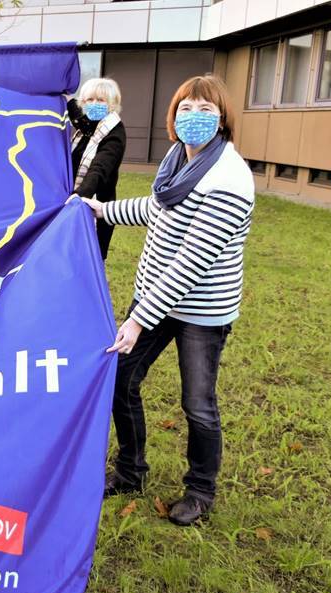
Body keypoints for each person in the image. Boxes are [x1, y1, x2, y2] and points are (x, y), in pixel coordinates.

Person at [82, 74, 255, 526]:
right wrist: (99, 209)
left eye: (205, 111)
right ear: (172, 117)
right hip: (156, 300)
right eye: (185, 109)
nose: (193, 118)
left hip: (200, 311)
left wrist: (138, 320)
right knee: (120, 379)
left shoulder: (229, 177)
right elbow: (156, 211)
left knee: (197, 403)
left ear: (222, 120)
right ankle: (131, 470)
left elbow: (190, 262)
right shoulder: (179, 160)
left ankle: (200, 490)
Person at [67, 78, 126, 260]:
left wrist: (80, 194)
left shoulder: (114, 132)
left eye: (101, 100)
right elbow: (76, 113)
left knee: (88, 261)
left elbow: (99, 169)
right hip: (72, 203)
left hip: (95, 208)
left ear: (112, 104)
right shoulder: (87, 126)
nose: (94, 104)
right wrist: (66, 97)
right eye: (89, 100)